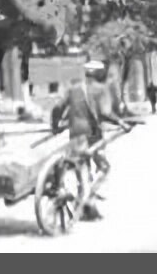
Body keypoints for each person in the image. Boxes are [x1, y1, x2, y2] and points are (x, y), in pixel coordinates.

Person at [51, 61, 131, 221]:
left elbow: (57, 108)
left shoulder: (73, 89)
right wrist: (121, 122)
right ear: (99, 74)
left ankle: (88, 207)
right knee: (104, 167)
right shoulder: (101, 89)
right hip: (93, 135)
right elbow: (105, 112)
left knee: (82, 170)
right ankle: (88, 198)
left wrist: (55, 126)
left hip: (75, 135)